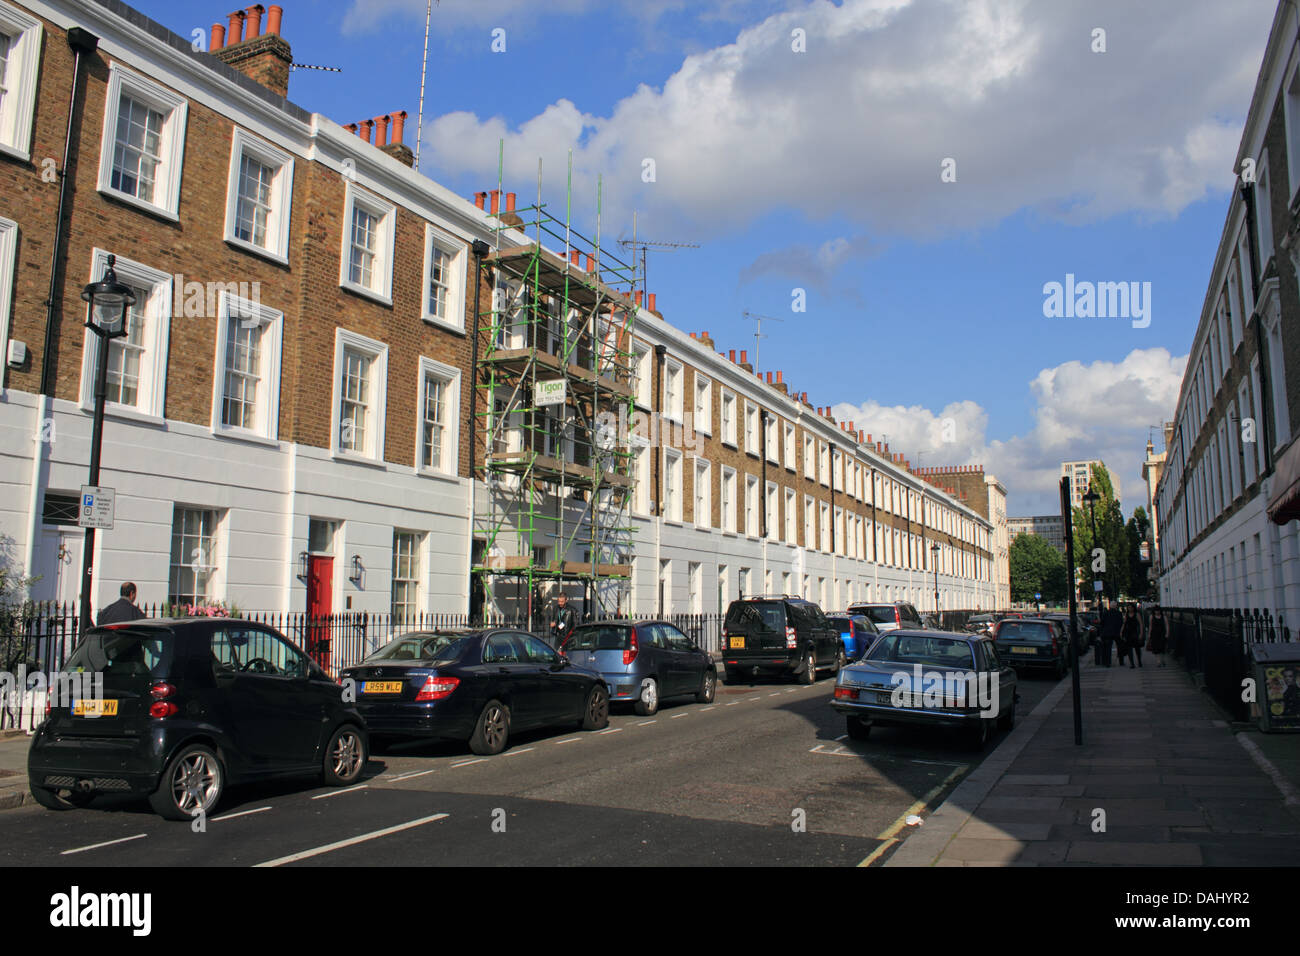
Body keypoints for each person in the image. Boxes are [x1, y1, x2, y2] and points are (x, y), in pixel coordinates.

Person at [1097, 598, 1123, 667]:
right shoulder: (1119, 613)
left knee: (1108, 648)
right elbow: (1121, 623)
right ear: (1116, 606)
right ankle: (1121, 661)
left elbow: (1102, 623)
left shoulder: (1106, 613)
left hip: (1108, 632)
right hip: (1117, 632)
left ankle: (1108, 662)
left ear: (1110, 606)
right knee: (1120, 647)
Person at [1119, 604, 1143, 668]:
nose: (1130, 609)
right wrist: (1121, 631)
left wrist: (1141, 633)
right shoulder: (1126, 615)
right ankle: (1132, 663)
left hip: (1135, 633)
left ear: (1133, 608)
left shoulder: (1137, 614)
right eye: (1128, 608)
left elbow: (1140, 624)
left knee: (1137, 648)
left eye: (1131, 607)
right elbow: (1124, 623)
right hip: (1128, 633)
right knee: (1129, 649)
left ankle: (1139, 661)